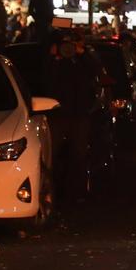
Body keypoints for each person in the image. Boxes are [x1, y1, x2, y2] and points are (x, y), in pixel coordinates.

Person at [47, 32, 100, 200]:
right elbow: (46, 80)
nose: (67, 49)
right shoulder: (54, 62)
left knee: (79, 155)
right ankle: (52, 190)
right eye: (65, 45)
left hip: (79, 113)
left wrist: (82, 53)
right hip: (57, 113)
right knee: (51, 155)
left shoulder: (83, 61)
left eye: (71, 45)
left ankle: (77, 192)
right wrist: (53, 58)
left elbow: (96, 70)